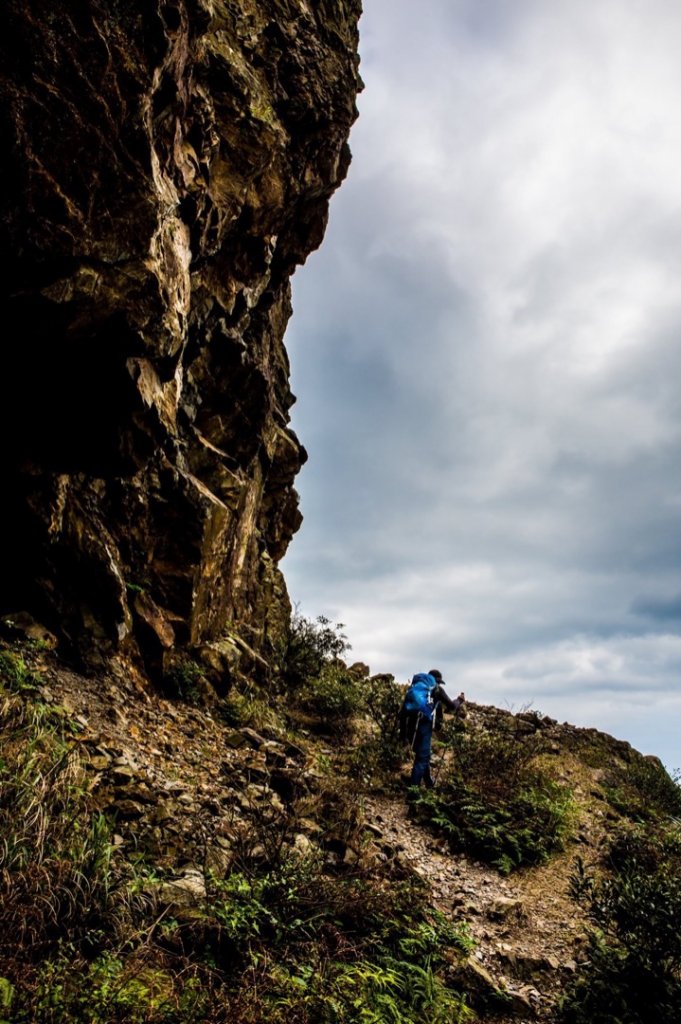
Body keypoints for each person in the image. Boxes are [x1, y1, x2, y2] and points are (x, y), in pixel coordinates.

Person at [400, 669, 465, 789]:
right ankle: (413, 793)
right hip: (424, 725)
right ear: (438, 681)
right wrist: (459, 701)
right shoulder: (437, 689)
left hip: (411, 725)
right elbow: (451, 706)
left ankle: (429, 783)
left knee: (423, 756)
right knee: (422, 759)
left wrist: (403, 735)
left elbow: (403, 711)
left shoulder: (415, 687)